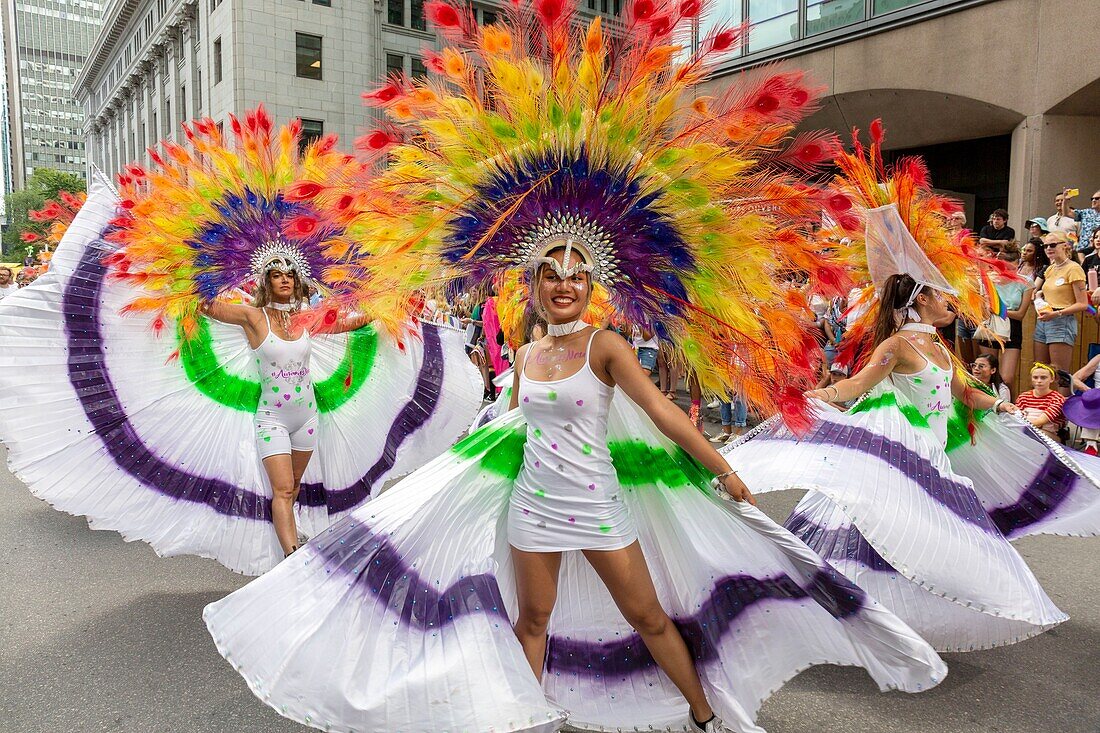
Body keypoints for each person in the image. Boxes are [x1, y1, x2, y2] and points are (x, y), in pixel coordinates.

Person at [204, 14, 948, 732]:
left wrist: (723, 468)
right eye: (552, 273)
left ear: (594, 285)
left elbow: (664, 414)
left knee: (648, 614)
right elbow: (514, 423)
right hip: (533, 504)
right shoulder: (527, 355)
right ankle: (523, 719)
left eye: (577, 274)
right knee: (531, 619)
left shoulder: (604, 346)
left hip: (596, 504)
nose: (565, 283)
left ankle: (703, 713)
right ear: (530, 284)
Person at [0, 112, 484, 576]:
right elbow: (204, 305)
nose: (283, 283)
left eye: (289, 277)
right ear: (265, 283)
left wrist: (390, 306)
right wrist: (190, 258)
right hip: (272, 417)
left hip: (307, 416)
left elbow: (349, 323)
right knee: (282, 491)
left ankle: (288, 553)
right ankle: (294, 555)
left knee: (297, 487)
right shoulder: (253, 318)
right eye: (275, 277)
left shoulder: (307, 319)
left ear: (296, 282)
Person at [724, 127, 1099, 652]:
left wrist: (1005, 404)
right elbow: (854, 386)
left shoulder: (945, 350)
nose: (953, 304)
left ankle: (900, 615)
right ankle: (841, 612)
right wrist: (811, 398)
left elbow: (966, 396)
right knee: (872, 522)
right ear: (920, 302)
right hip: (892, 443)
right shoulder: (897, 346)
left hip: (928, 447)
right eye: (944, 298)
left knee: (926, 529)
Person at [1033, 231, 1088, 391]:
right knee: (1041, 369)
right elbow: (1045, 291)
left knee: (1060, 373)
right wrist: (1039, 296)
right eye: (1045, 246)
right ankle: (1044, 408)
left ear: (1065, 246)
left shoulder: (1073, 268)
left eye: (1052, 245)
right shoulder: (1050, 269)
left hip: (1061, 320)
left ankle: (1063, 412)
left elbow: (1083, 304)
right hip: (1044, 319)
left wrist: (1056, 314)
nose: (1048, 248)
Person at [976, 245, 1032, 387]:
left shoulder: (1025, 282)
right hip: (991, 326)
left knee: (1006, 378)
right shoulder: (988, 280)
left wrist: (998, 310)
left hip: (1012, 327)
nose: (1010, 272)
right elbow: (982, 308)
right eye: (1006, 268)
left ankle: (1006, 405)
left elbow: (1020, 314)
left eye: (1014, 268)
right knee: (987, 374)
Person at [1015, 362, 1067, 441]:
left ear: (1052, 379)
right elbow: (1016, 417)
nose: (1039, 381)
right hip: (1025, 430)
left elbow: (1039, 422)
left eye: (1043, 377)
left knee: (1031, 435)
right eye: (1035, 377)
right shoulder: (1023, 397)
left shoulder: (1057, 399)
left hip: (1049, 435)